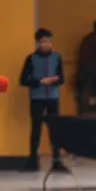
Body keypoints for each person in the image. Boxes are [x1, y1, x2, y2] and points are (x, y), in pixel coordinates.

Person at [19, 28, 67, 172]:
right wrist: (40, 81)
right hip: (37, 98)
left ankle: (56, 161)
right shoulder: (31, 59)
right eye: (43, 41)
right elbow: (23, 80)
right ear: (38, 43)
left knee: (55, 130)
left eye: (48, 41)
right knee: (36, 129)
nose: (46, 44)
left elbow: (61, 78)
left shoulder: (57, 58)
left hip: (52, 97)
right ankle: (32, 160)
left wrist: (52, 81)